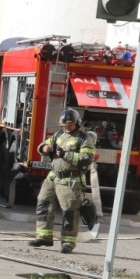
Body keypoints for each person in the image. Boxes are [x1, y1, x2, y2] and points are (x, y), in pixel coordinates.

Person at [28, 108, 95, 254]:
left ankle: (68, 243)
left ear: (77, 123)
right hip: (53, 177)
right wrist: (43, 148)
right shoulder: (59, 134)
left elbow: (87, 159)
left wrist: (66, 155)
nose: (66, 128)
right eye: (64, 125)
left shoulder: (84, 138)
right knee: (43, 204)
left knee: (70, 211)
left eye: (69, 125)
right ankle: (44, 236)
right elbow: (43, 144)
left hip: (70, 180)